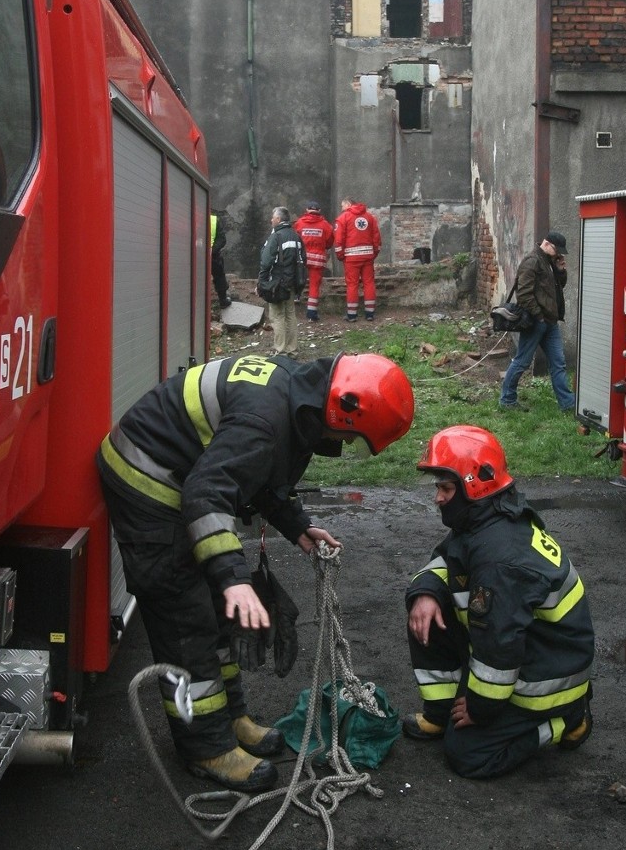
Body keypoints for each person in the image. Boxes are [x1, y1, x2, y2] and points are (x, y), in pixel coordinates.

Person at [97, 351, 415, 793]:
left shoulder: (294, 395)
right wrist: (234, 579)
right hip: (148, 485)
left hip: (185, 480)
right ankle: (206, 747)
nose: (345, 448)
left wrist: (298, 526)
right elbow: (207, 494)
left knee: (220, 611)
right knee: (186, 619)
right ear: (341, 411)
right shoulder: (264, 421)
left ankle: (231, 718)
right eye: (355, 439)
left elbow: (256, 474)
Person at [402, 425, 594, 780]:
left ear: (474, 485)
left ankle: (564, 721)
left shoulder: (498, 560)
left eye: (445, 488)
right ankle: (441, 711)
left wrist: (481, 709)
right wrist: (426, 592)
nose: (438, 498)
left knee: (468, 755)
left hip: (546, 678)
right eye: (438, 488)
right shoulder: (486, 519)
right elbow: (450, 558)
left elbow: (499, 648)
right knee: (427, 606)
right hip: (535, 648)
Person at [499, 231, 576, 411]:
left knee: (558, 363)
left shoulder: (549, 262)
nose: (559, 254)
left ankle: (567, 403)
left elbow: (558, 287)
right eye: (557, 250)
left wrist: (560, 271)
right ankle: (507, 400)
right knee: (522, 361)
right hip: (536, 322)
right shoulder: (532, 261)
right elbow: (524, 294)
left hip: (550, 323)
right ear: (547, 244)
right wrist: (539, 316)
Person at [256, 206, 307, 355]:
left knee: (277, 316)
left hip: (276, 284)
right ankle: (292, 349)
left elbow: (266, 261)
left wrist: (262, 281)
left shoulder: (276, 237)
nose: (271, 220)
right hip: (292, 283)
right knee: (290, 315)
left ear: (278, 219)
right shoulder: (296, 236)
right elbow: (302, 259)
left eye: (273, 217)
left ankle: (280, 350)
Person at [333, 196, 381, 322]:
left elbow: (338, 240)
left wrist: (340, 255)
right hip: (368, 257)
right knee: (369, 283)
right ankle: (370, 313)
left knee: (352, 285)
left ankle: (352, 315)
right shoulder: (370, 217)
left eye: (342, 206)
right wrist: (374, 253)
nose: (342, 209)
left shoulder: (343, 218)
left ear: (348, 204)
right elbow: (376, 237)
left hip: (351, 258)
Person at [294, 199, 334, 322]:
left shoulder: (299, 223)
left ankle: (296, 296)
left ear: (307, 210)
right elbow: (329, 242)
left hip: (302, 257)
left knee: (297, 278)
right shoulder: (325, 225)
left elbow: (294, 238)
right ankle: (311, 314)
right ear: (319, 211)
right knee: (314, 286)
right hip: (317, 259)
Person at [210, 212, 232, 309]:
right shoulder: (213, 219)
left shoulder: (214, 220)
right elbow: (222, 239)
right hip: (207, 254)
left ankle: (223, 299)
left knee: (219, 275)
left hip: (211, 255)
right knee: (219, 275)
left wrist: (212, 250)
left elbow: (222, 239)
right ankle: (223, 300)